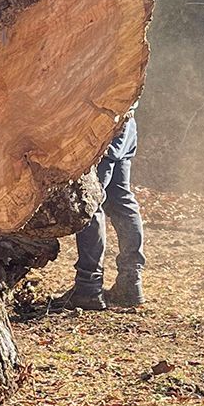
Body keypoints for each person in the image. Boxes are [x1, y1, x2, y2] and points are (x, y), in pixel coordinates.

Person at [56, 112, 145, 311]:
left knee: (91, 202)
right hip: (126, 123)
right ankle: (131, 282)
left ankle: (89, 287)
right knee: (120, 198)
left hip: (104, 124)